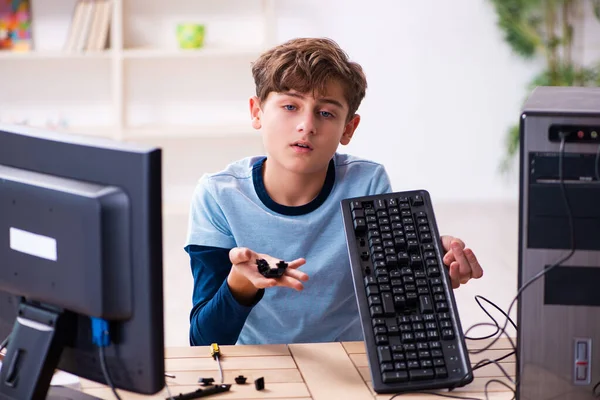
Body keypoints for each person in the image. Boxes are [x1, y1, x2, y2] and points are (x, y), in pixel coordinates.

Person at [185, 37, 484, 346]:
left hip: (348, 357)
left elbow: (396, 307)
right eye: (290, 106)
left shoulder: (366, 182)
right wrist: (240, 282)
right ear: (257, 112)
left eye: (326, 113)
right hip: (261, 363)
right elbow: (203, 339)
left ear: (348, 129)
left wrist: (428, 273)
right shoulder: (217, 195)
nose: (306, 125)